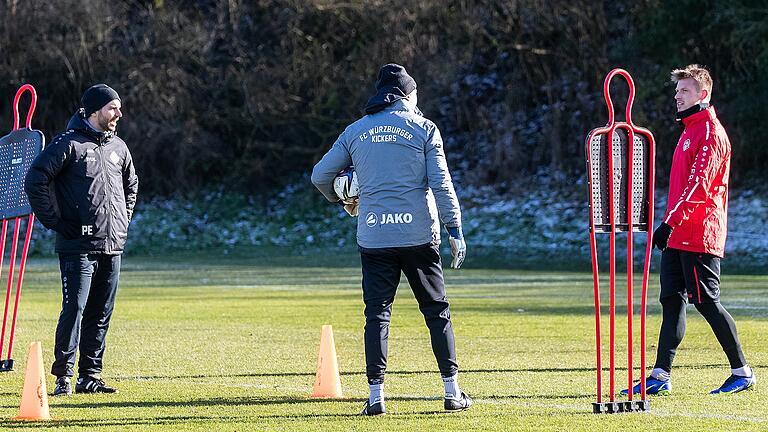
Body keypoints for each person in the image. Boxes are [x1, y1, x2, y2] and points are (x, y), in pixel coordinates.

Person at [311, 64, 471, 415]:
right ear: (407, 95)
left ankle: (376, 397)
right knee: (436, 312)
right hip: (418, 236)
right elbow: (442, 184)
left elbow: (320, 175)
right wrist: (454, 229)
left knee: (377, 316)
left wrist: (342, 196)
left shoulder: (356, 131)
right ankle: (451, 392)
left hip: (374, 236)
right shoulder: (424, 128)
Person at [623, 65, 755, 396]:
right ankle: (660, 375)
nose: (677, 96)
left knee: (707, 302)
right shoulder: (688, 130)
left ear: (703, 94)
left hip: (699, 233)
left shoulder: (710, 132)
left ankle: (742, 371)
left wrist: (669, 223)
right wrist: (668, 223)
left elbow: (699, 187)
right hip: (678, 233)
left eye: (684, 91)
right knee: (671, 301)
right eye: (677, 90)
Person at [25, 84, 139, 396]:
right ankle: (63, 377)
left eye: (118, 108)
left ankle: (90, 376)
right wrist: (55, 221)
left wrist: (123, 220)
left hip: (112, 245)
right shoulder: (69, 144)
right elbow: (35, 179)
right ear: (94, 110)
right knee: (74, 308)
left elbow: (131, 183)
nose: (119, 114)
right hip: (77, 246)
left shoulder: (119, 148)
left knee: (101, 312)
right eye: (113, 108)